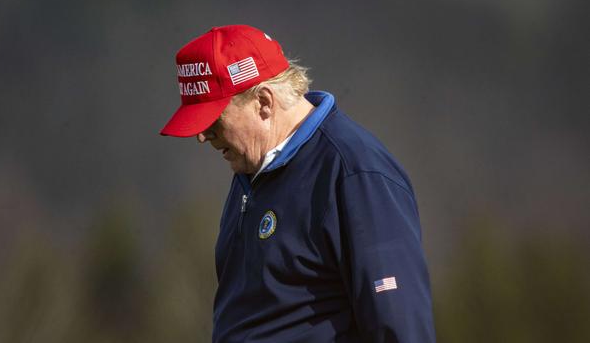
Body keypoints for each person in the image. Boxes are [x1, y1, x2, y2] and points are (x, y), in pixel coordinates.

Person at [161, 24, 436, 343]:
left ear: (263, 102)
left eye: (213, 121)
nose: (201, 135)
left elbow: (399, 326)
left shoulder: (355, 173)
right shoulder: (250, 172)